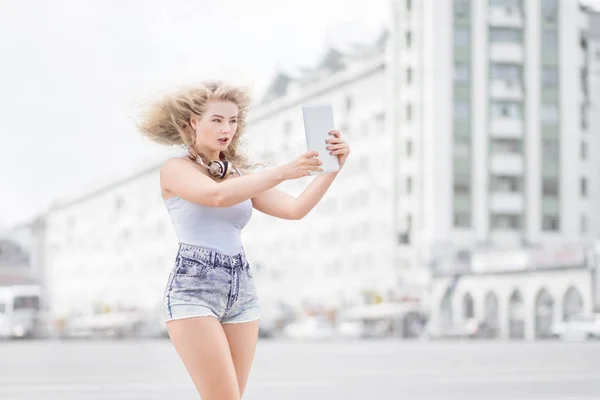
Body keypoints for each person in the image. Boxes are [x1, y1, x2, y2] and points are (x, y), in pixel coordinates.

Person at [136, 81, 350, 400]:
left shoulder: (237, 176)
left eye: (233, 121)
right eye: (218, 120)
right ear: (194, 122)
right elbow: (216, 196)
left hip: (242, 291)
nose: (227, 129)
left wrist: (331, 170)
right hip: (195, 290)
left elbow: (294, 209)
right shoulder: (174, 169)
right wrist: (283, 171)